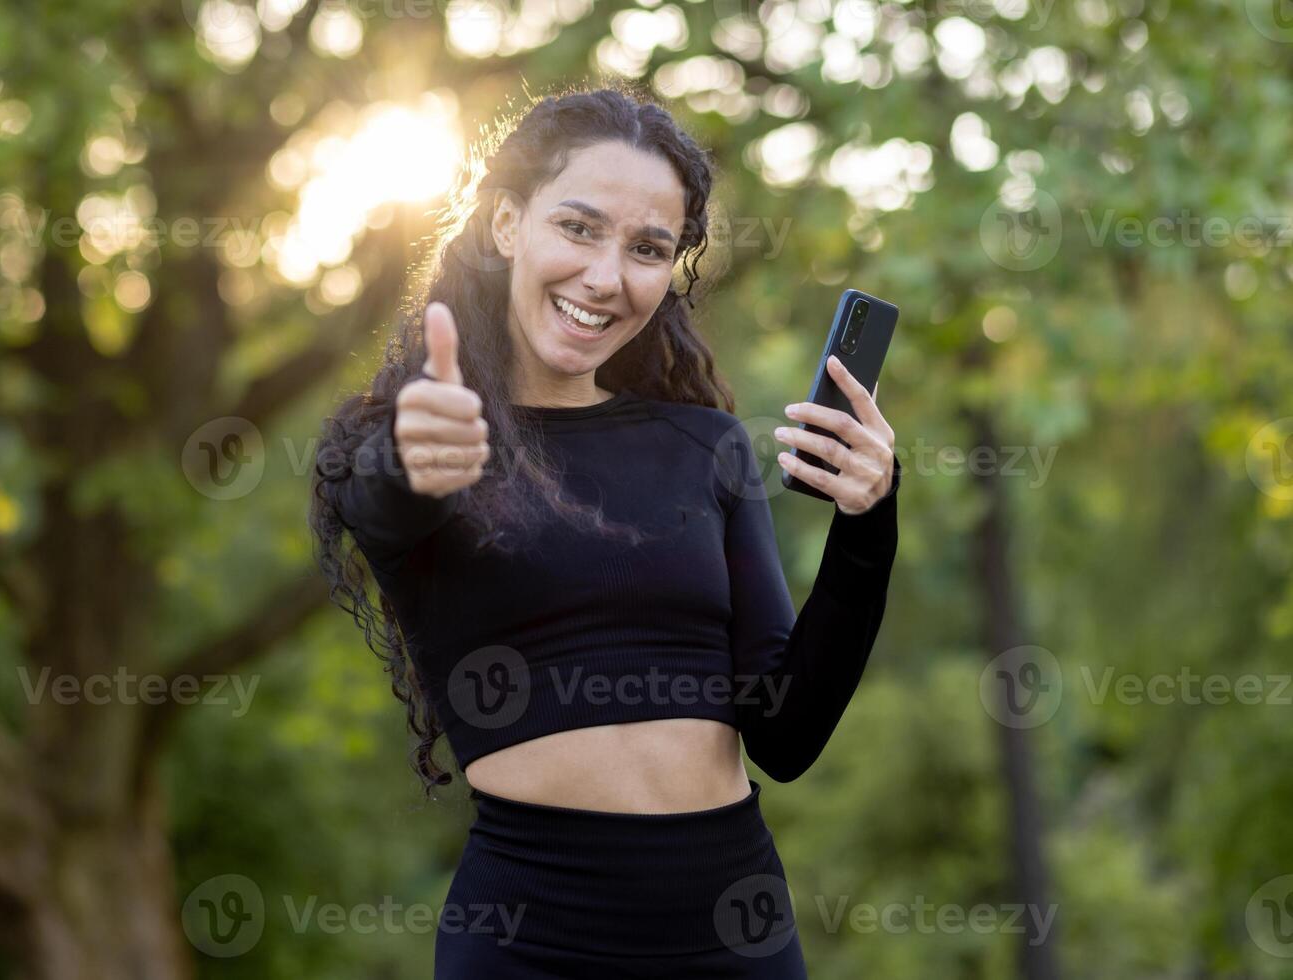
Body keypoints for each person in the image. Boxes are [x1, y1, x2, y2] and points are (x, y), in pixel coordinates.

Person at [310, 84, 900, 978]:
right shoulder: (420, 440)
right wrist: (416, 450)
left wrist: (868, 526)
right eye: (578, 228)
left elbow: (786, 734)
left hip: (734, 931)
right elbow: (390, 498)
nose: (606, 277)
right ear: (508, 224)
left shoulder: (704, 448)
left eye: (647, 248)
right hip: (531, 940)